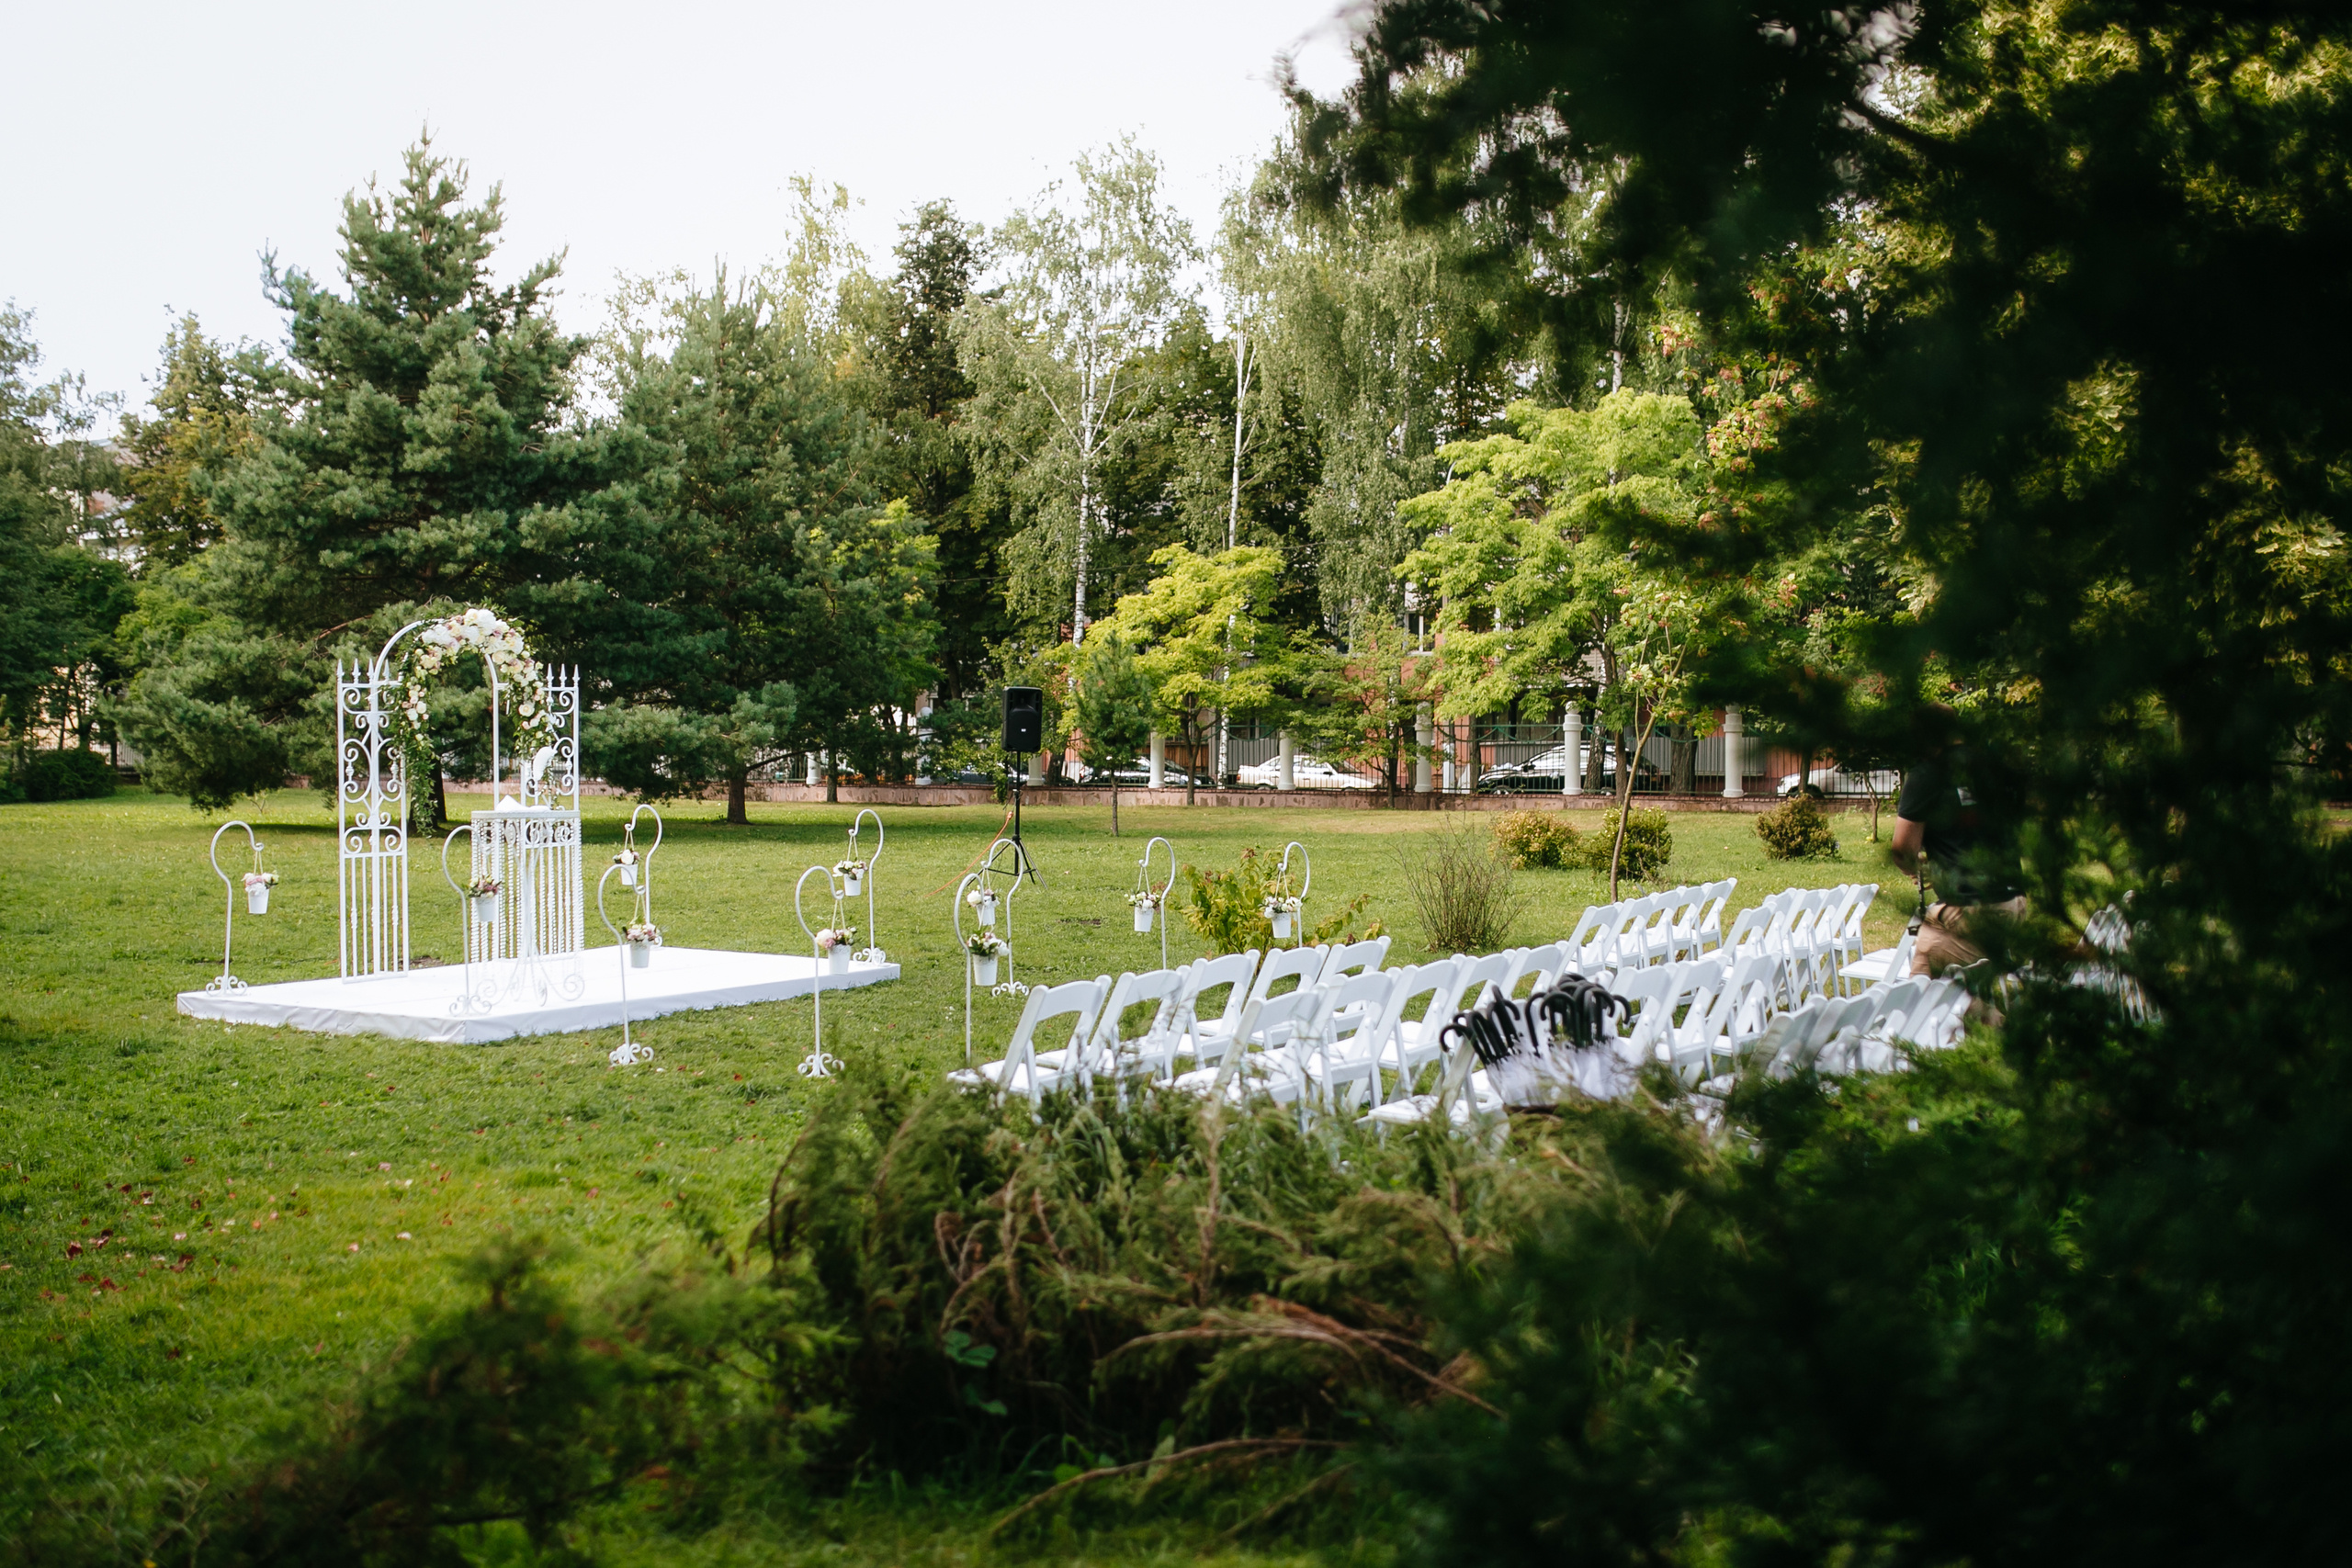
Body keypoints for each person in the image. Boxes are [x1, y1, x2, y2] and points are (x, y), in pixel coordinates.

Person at [1890, 735, 2025, 976]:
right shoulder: (1991, 768)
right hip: (2014, 902)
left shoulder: (1927, 774)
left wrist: (1915, 869)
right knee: (1969, 991)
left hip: (1970, 909)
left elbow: (1902, 851)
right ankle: (1987, 1013)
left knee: (1923, 994)